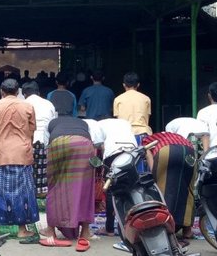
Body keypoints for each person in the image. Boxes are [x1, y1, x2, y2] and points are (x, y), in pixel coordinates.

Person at [0, 78, 40, 244]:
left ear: (2, 91)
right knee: (23, 192)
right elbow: (32, 132)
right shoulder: (27, 106)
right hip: (22, 152)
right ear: (18, 92)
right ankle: (22, 230)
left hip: (2, 152)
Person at [38, 115, 97, 252]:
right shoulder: (84, 123)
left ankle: (50, 230)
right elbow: (95, 141)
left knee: (55, 185)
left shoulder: (51, 122)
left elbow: (46, 142)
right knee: (85, 187)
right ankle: (85, 231)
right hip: (83, 143)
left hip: (58, 143)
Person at [141, 132, 196, 247]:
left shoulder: (145, 141)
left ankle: (166, 228)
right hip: (190, 152)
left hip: (166, 150)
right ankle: (187, 231)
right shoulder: (178, 136)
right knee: (187, 189)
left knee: (161, 190)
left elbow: (150, 162)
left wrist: (154, 175)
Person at [95, 118, 137, 239]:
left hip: (113, 152)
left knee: (111, 189)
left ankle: (109, 229)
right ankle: (129, 227)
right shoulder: (124, 122)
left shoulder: (98, 124)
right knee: (129, 188)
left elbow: (98, 145)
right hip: (132, 151)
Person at [22, 81, 57, 197]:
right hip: (44, 141)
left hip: (27, 141)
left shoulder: (22, 103)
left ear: (24, 94)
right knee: (43, 171)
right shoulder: (49, 104)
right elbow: (53, 124)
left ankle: (28, 195)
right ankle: (42, 196)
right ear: (38, 92)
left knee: (27, 170)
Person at [113, 72, 151, 172]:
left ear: (124, 85)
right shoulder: (146, 99)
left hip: (124, 136)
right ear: (138, 85)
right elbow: (146, 120)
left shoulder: (118, 99)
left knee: (125, 163)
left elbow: (118, 121)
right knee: (143, 163)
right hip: (142, 134)